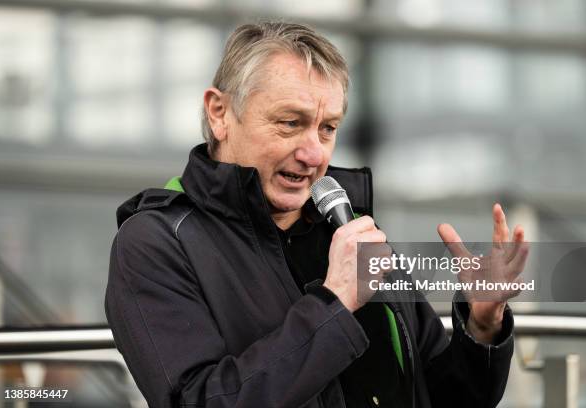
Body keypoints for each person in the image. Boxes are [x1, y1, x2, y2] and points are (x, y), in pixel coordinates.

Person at [105, 22, 528, 408]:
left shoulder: (348, 228)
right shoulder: (156, 242)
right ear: (220, 114)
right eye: (290, 123)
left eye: (327, 128)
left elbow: (438, 395)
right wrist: (335, 304)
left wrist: (481, 327)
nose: (313, 153)